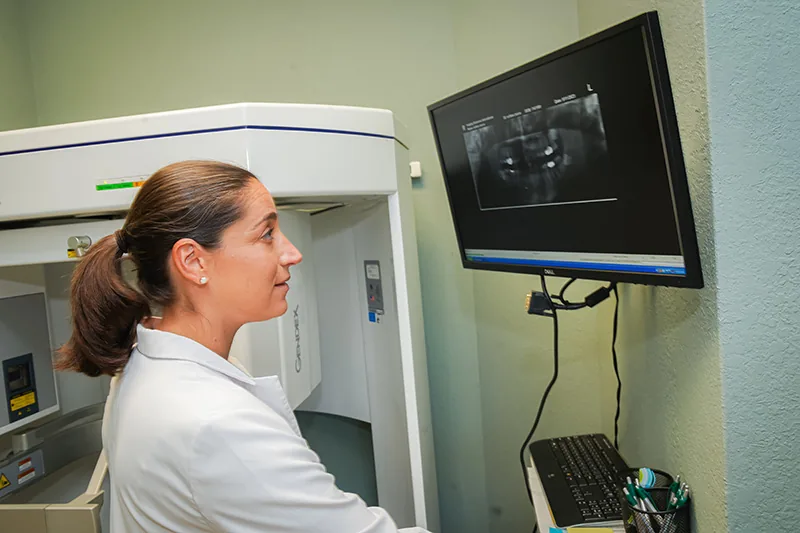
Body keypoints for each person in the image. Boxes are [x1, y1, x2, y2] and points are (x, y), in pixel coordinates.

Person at [56, 161, 430, 533]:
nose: (292, 253)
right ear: (193, 261)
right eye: (267, 234)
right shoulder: (218, 425)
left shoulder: (143, 363)